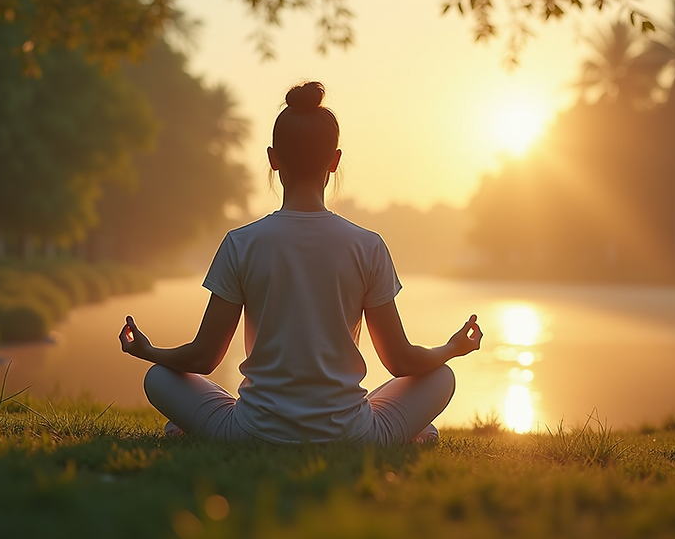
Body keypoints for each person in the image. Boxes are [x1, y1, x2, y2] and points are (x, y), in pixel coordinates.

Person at [119, 81, 483, 445]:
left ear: (273, 159)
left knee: (158, 377)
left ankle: (197, 428)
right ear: (335, 160)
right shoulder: (368, 246)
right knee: (441, 377)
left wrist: (147, 351)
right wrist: (451, 348)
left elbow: (204, 356)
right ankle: (404, 431)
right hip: (352, 435)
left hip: (252, 432)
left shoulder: (241, 243)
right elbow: (400, 361)